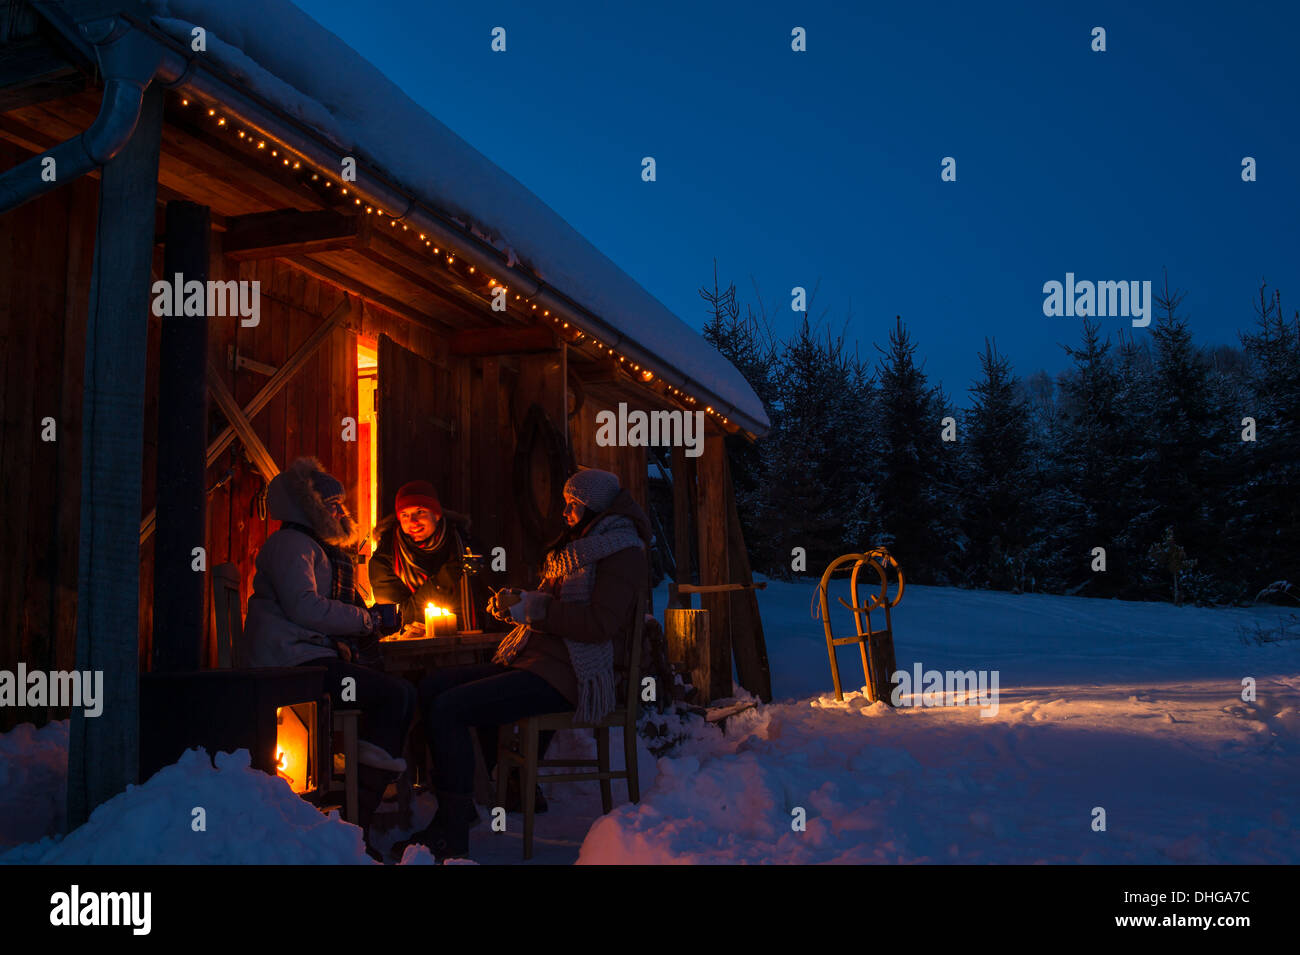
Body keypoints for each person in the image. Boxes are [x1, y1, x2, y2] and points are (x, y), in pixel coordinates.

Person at [396, 468, 649, 861]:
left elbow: (600, 624)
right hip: (541, 661)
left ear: (593, 508)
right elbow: (557, 607)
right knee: (433, 686)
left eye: (573, 505)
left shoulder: (621, 551)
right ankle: (470, 801)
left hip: (573, 674)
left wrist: (538, 609)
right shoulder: (583, 547)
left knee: (450, 707)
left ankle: (452, 826)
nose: (565, 512)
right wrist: (521, 602)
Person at [243, 456, 417, 861]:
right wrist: (366, 620)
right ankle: (358, 826)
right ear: (308, 506)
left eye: (341, 504)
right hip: (290, 665)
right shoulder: (292, 545)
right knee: (395, 696)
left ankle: (357, 817)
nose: (340, 511)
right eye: (331, 504)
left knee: (401, 692)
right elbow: (305, 607)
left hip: (308, 657)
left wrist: (367, 622)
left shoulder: (314, 547)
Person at [369, 480, 488, 632]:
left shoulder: (465, 544)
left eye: (420, 512)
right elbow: (393, 618)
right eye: (405, 515)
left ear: (436, 515)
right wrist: (440, 583)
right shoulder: (384, 559)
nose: (412, 522)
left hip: (472, 642)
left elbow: (487, 593)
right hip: (414, 647)